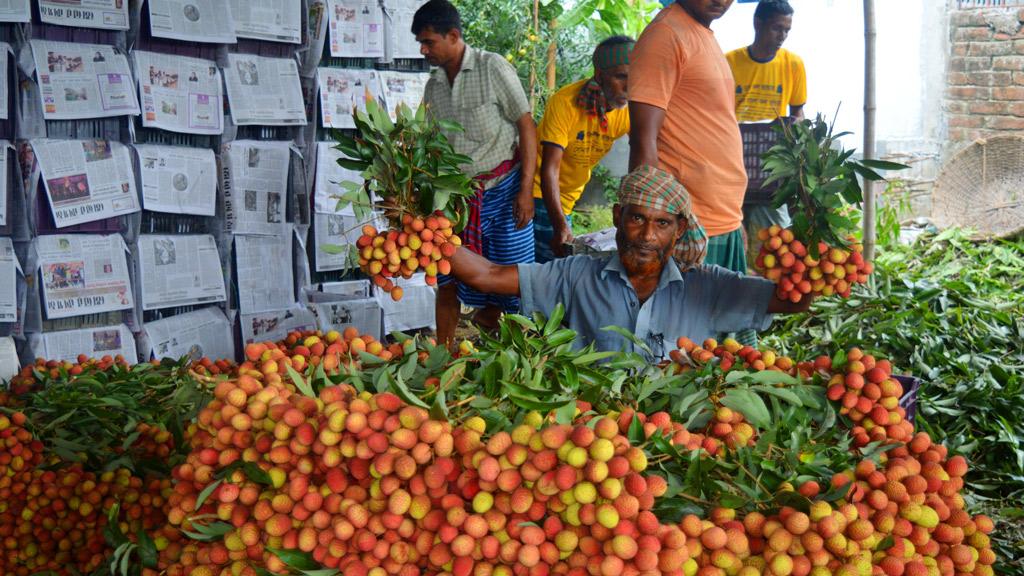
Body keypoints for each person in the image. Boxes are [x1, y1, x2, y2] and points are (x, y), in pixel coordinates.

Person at [448, 166, 811, 360]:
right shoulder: (577, 275)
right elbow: (487, 275)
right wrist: (429, 236)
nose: (646, 236)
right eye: (637, 219)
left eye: (662, 224)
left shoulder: (708, 285)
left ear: (679, 229)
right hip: (596, 436)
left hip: (681, 441)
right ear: (618, 216)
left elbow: (791, 300)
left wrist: (809, 251)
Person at [627, 0, 757, 345]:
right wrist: (648, 227)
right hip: (691, 228)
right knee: (686, 352)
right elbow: (643, 140)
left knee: (731, 353)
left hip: (721, 221)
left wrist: (735, 220)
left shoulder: (703, 34)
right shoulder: (666, 35)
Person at [412, 0, 538, 346]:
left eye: (429, 42)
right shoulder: (433, 86)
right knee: (447, 275)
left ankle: (517, 357)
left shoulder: (491, 67)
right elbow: (429, 146)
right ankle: (444, 350)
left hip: (506, 188)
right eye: (420, 44)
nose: (424, 50)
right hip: (457, 198)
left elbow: (526, 126)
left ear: (453, 36)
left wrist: (526, 189)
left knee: (515, 281)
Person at [532, 36, 633, 263]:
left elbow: (643, 152)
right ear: (599, 75)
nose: (629, 85)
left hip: (569, 197)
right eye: (621, 76)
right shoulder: (565, 103)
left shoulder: (627, 109)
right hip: (539, 193)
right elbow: (550, 170)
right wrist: (560, 224)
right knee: (544, 272)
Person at [725, 0, 806, 260]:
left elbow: (798, 112)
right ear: (757, 23)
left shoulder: (793, 64)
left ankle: (767, 288)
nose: (782, 36)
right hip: (733, 157)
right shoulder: (729, 62)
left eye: (787, 30)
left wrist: (798, 131)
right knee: (730, 232)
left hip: (771, 167)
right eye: (776, 28)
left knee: (773, 243)